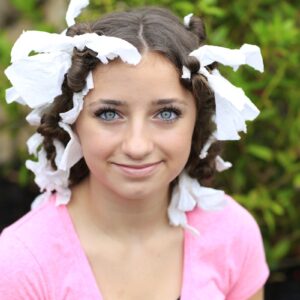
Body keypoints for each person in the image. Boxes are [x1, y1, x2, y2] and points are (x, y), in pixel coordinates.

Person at [0, 0, 269, 299]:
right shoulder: (21, 263)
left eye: (166, 113)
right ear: (72, 122)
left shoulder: (233, 234)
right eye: (109, 114)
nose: (137, 146)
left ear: (198, 120)